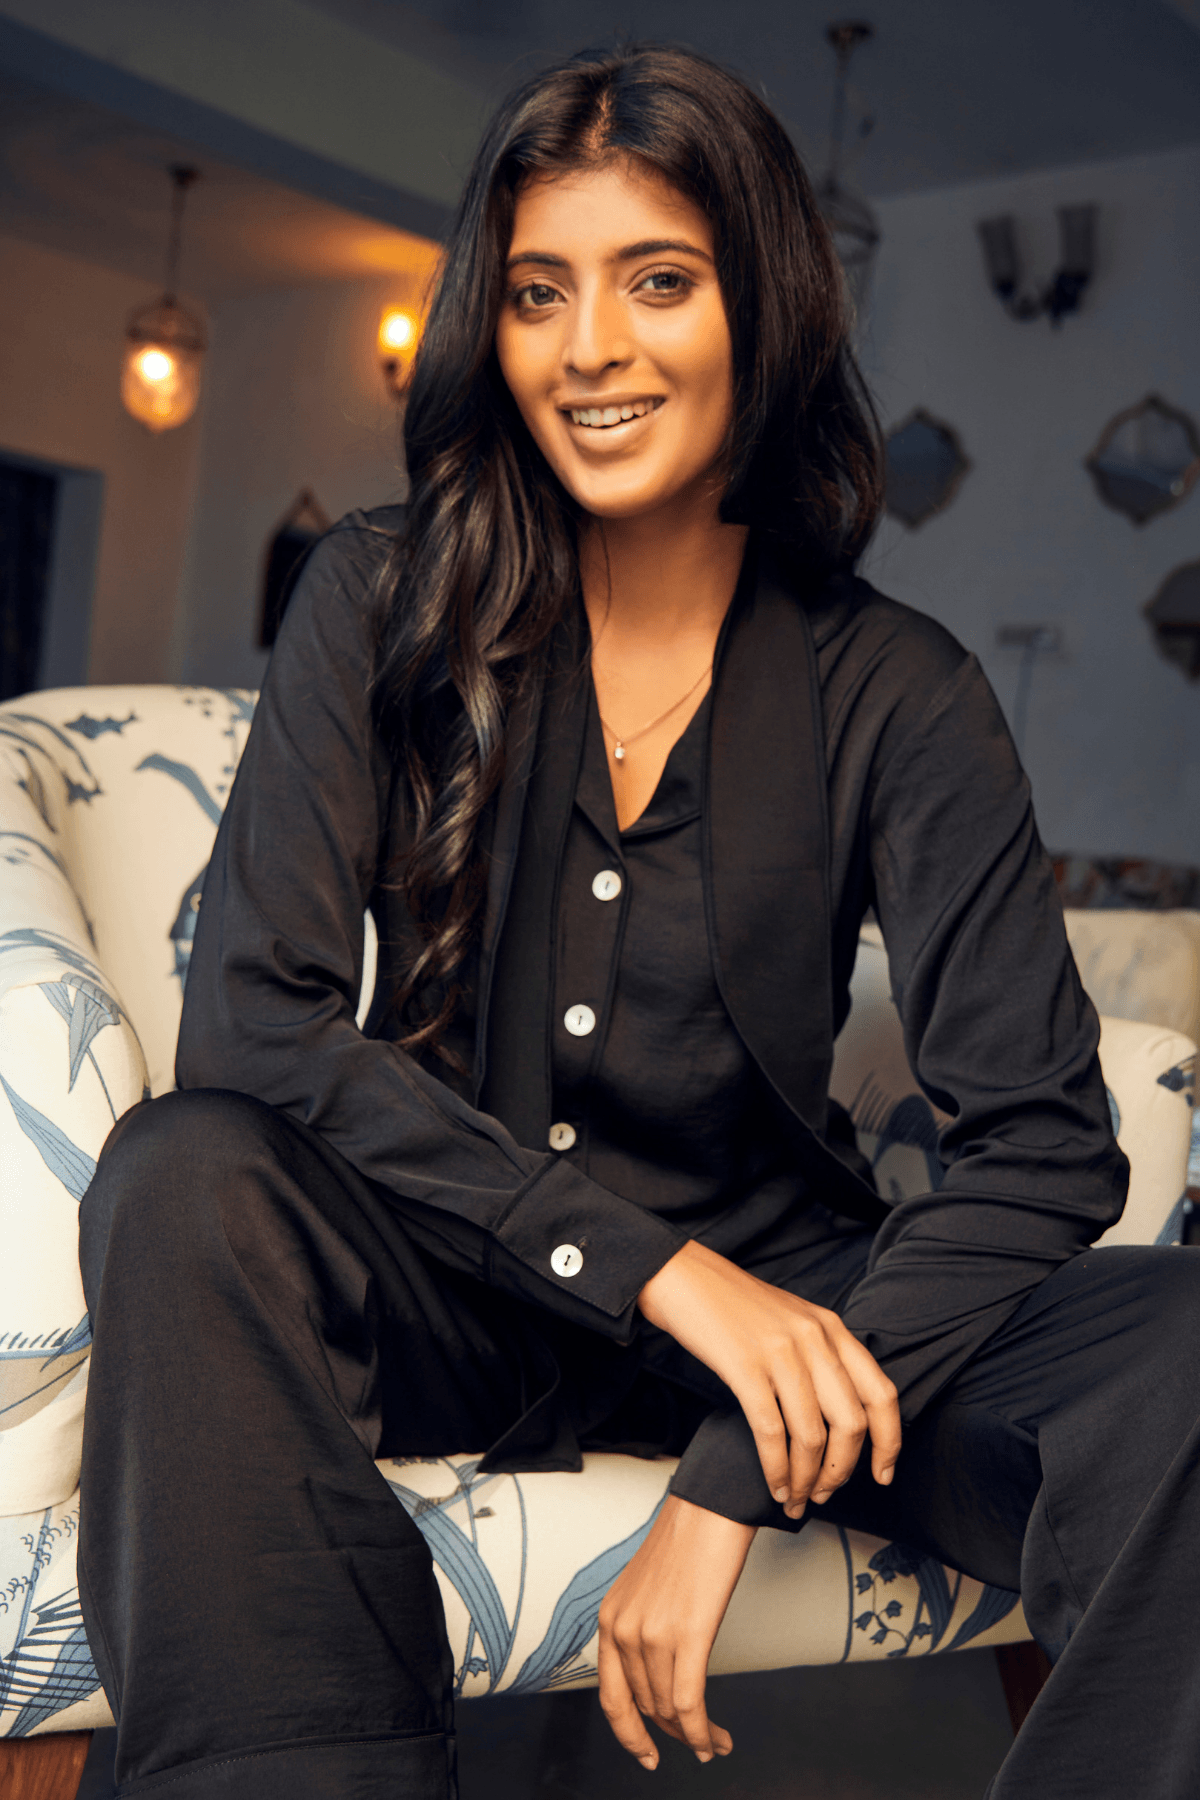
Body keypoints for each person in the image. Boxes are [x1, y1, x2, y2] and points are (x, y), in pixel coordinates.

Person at [77, 42, 1199, 1800]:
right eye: (540, 292)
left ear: (764, 307)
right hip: (454, 1279)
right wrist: (670, 1281)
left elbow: (1046, 1144)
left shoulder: (898, 688)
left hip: (799, 1325)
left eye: (657, 280)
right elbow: (257, 1023)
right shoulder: (376, 595)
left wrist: (738, 1457)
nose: (588, 347)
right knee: (183, 1173)